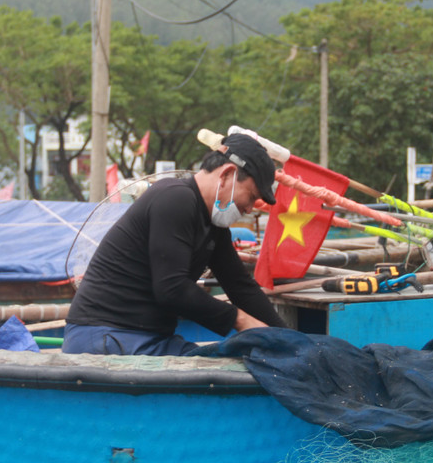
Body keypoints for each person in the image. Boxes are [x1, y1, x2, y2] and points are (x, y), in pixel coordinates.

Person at [63, 133, 286, 355]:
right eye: (250, 196)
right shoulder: (175, 198)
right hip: (105, 334)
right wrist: (240, 320)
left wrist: (288, 339)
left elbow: (240, 287)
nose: (249, 209)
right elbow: (172, 289)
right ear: (227, 174)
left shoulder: (213, 226)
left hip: (150, 337)